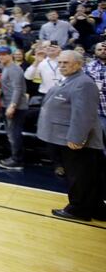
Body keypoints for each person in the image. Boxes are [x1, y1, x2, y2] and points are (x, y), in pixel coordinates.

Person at [36, 51, 105, 221]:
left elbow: (84, 114)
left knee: (79, 176)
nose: (61, 66)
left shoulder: (84, 83)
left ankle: (78, 210)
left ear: (79, 64)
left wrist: (77, 137)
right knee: (88, 176)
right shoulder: (71, 80)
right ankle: (95, 209)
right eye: (60, 62)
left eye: (66, 62)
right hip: (68, 137)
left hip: (78, 141)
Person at [0, 47, 29, 170]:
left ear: (10, 55)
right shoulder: (6, 68)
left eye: (4, 54)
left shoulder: (14, 69)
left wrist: (12, 105)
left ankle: (17, 160)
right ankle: (15, 157)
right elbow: (9, 87)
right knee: (11, 134)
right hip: (7, 104)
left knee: (14, 134)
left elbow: (18, 89)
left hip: (16, 107)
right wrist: (0, 91)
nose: (1, 57)